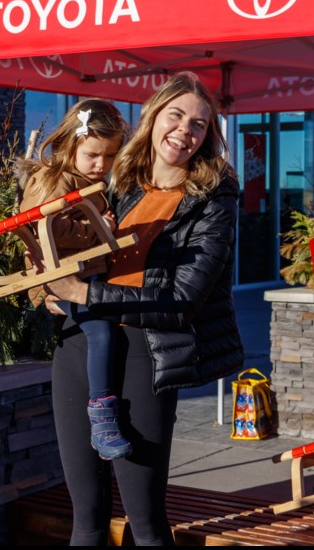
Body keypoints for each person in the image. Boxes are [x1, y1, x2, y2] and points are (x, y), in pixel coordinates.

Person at [40, 72, 245, 545]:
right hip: (77, 347)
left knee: (146, 520)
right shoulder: (118, 183)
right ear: (153, 118)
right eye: (176, 115)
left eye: (198, 124)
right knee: (86, 517)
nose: (184, 130)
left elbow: (181, 301)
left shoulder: (214, 200)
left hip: (144, 355)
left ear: (208, 136)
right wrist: (51, 292)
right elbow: (74, 259)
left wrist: (82, 294)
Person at [18, 98, 130, 460]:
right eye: (93, 155)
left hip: (86, 277)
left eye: (110, 156)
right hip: (58, 279)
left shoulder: (89, 183)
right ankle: (101, 415)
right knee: (101, 330)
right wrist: (99, 229)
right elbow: (40, 227)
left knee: (108, 328)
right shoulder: (53, 178)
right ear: (70, 146)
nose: (102, 165)